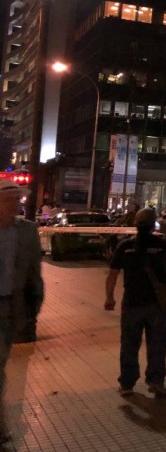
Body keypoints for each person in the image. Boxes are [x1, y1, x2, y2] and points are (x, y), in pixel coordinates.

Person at [104, 207, 166, 398]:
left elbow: (113, 273)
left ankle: (127, 383)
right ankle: (156, 381)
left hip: (132, 303)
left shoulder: (125, 246)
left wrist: (109, 297)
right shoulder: (161, 242)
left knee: (129, 344)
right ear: (154, 223)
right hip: (158, 305)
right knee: (158, 344)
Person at [0, 180, 44, 441]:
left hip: (9, 308)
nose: (16, 203)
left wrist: (32, 313)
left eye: (17, 199)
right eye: (10, 199)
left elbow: (34, 275)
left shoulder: (27, 231)